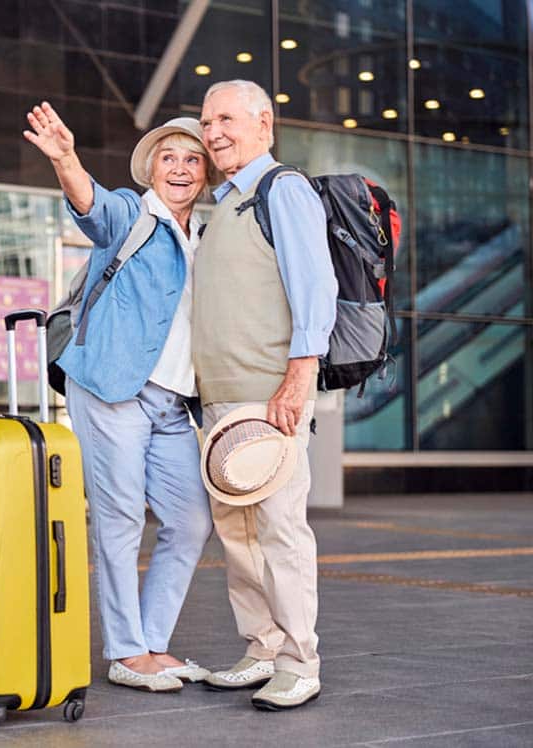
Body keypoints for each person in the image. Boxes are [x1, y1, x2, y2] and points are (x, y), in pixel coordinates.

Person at [23, 101, 216, 693]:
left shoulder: (207, 236)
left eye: (192, 159)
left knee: (190, 520)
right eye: (168, 157)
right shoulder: (132, 215)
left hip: (172, 401)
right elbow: (90, 203)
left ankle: (153, 642)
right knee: (121, 516)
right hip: (110, 387)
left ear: (206, 173)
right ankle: (127, 652)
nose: (180, 169)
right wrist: (66, 159)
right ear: (151, 168)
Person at [192, 79, 337, 710]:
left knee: (279, 528)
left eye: (225, 117)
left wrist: (299, 375)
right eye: (205, 121)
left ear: (263, 123)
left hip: (269, 396)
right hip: (222, 400)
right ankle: (261, 647)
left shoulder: (283, 189)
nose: (213, 131)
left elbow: (316, 287)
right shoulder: (222, 203)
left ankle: (300, 660)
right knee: (238, 533)